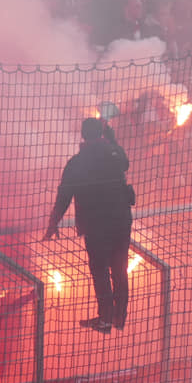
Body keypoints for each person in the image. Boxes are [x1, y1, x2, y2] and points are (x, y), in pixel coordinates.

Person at [44, 118, 134, 333]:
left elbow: (64, 194)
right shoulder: (114, 155)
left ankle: (105, 319)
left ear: (83, 135)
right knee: (119, 268)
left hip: (95, 225)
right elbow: (125, 162)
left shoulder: (77, 163)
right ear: (101, 133)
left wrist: (53, 222)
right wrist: (111, 138)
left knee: (100, 269)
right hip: (121, 221)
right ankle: (119, 317)